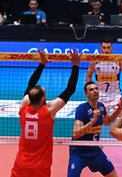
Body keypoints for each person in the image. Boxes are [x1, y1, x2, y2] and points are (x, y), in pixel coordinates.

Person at [11, 48, 81, 177]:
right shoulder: (48, 111)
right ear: (43, 99)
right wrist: (75, 65)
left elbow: (30, 85)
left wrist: (42, 64)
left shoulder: (23, 109)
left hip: (21, 164)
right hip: (41, 166)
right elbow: (70, 90)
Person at [67, 81, 122, 177]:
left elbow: (108, 121)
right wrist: (92, 121)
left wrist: (119, 109)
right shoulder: (82, 109)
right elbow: (75, 134)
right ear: (86, 94)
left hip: (95, 150)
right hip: (79, 151)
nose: (95, 91)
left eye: (96, 88)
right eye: (91, 89)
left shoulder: (101, 106)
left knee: (113, 175)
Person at [86, 38, 122, 128]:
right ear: (100, 48)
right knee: (95, 121)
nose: (106, 50)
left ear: (112, 48)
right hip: (100, 98)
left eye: (108, 48)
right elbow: (88, 75)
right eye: (104, 48)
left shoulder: (118, 60)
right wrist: (90, 90)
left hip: (115, 96)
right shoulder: (95, 61)